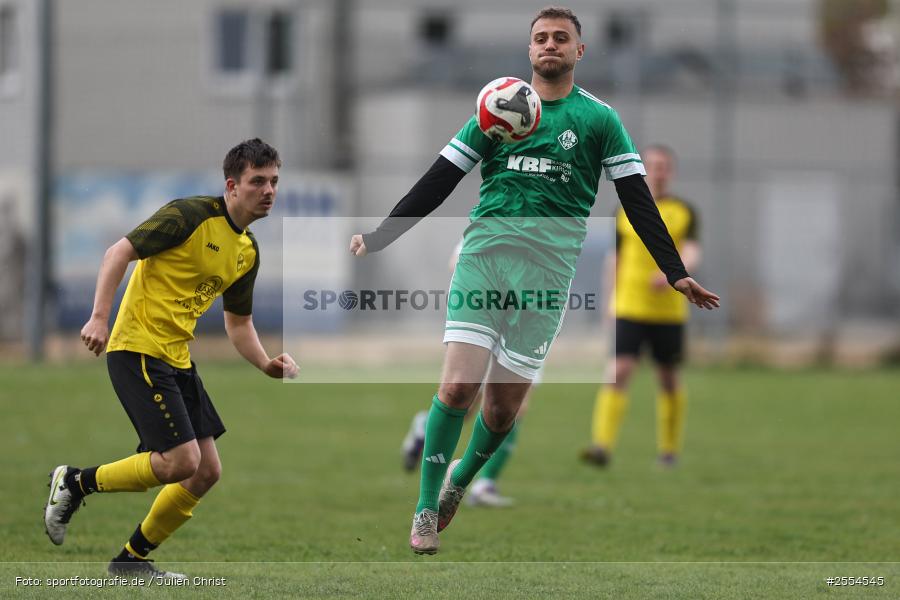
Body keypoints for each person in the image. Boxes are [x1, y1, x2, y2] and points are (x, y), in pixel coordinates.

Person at [350, 6, 719, 555]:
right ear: (529, 51)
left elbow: (638, 200)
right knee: (456, 387)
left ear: (578, 51)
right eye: (541, 38)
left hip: (546, 279)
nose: (550, 45)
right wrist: (382, 234)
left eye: (561, 38)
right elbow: (441, 177)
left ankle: (459, 480)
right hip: (485, 259)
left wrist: (676, 272)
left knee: (502, 412)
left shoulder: (599, 120)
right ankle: (426, 509)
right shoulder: (495, 105)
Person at [43, 138, 299, 578]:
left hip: (175, 357)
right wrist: (100, 318)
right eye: (258, 181)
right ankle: (74, 482)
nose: (269, 190)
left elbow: (238, 324)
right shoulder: (190, 215)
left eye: (274, 181)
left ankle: (130, 561)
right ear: (232, 186)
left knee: (205, 472)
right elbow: (117, 252)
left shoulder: (247, 251)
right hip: (137, 348)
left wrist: (265, 363)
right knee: (180, 462)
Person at [582, 145, 701, 468]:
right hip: (630, 305)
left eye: (663, 166)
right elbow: (615, 259)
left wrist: (676, 273)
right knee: (618, 371)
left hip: (668, 311)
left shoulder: (684, 211)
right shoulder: (625, 209)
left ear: (670, 171)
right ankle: (601, 446)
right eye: (652, 166)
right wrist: (610, 300)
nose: (658, 171)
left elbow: (691, 251)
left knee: (668, 377)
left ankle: (669, 451)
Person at [401, 242, 534, 508]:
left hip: (528, 321)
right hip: (491, 320)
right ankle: (426, 428)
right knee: (468, 401)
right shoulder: (497, 214)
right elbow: (457, 263)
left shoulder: (554, 222)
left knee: (515, 406)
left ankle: (485, 483)